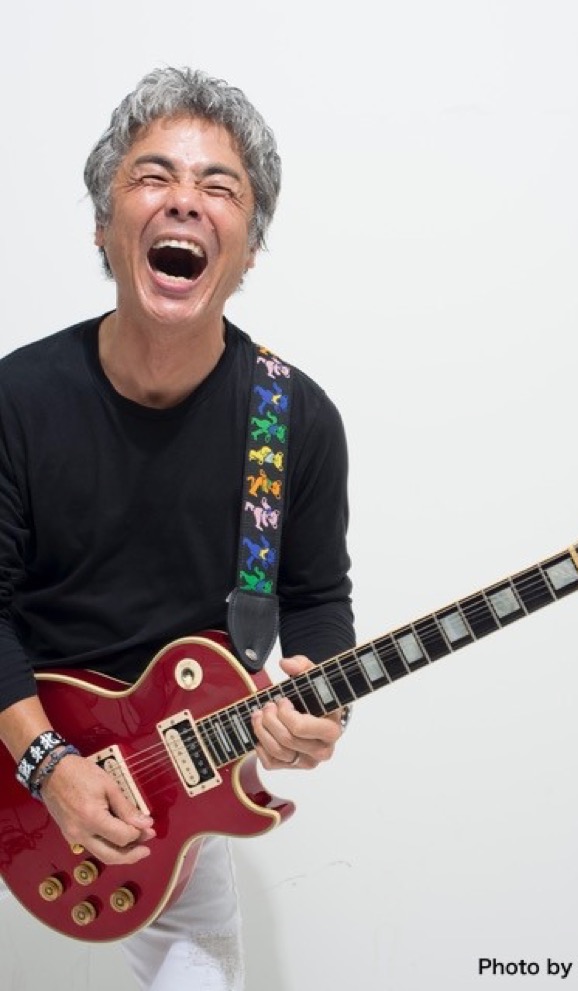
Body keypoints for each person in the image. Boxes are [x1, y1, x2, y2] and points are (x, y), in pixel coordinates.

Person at [0, 66, 355, 990]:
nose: (185, 201)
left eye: (219, 187)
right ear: (102, 224)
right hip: (16, 735)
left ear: (249, 248)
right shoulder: (15, 401)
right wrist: (48, 764)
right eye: (153, 176)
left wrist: (321, 700)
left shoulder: (294, 420)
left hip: (172, 785)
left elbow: (318, 599)